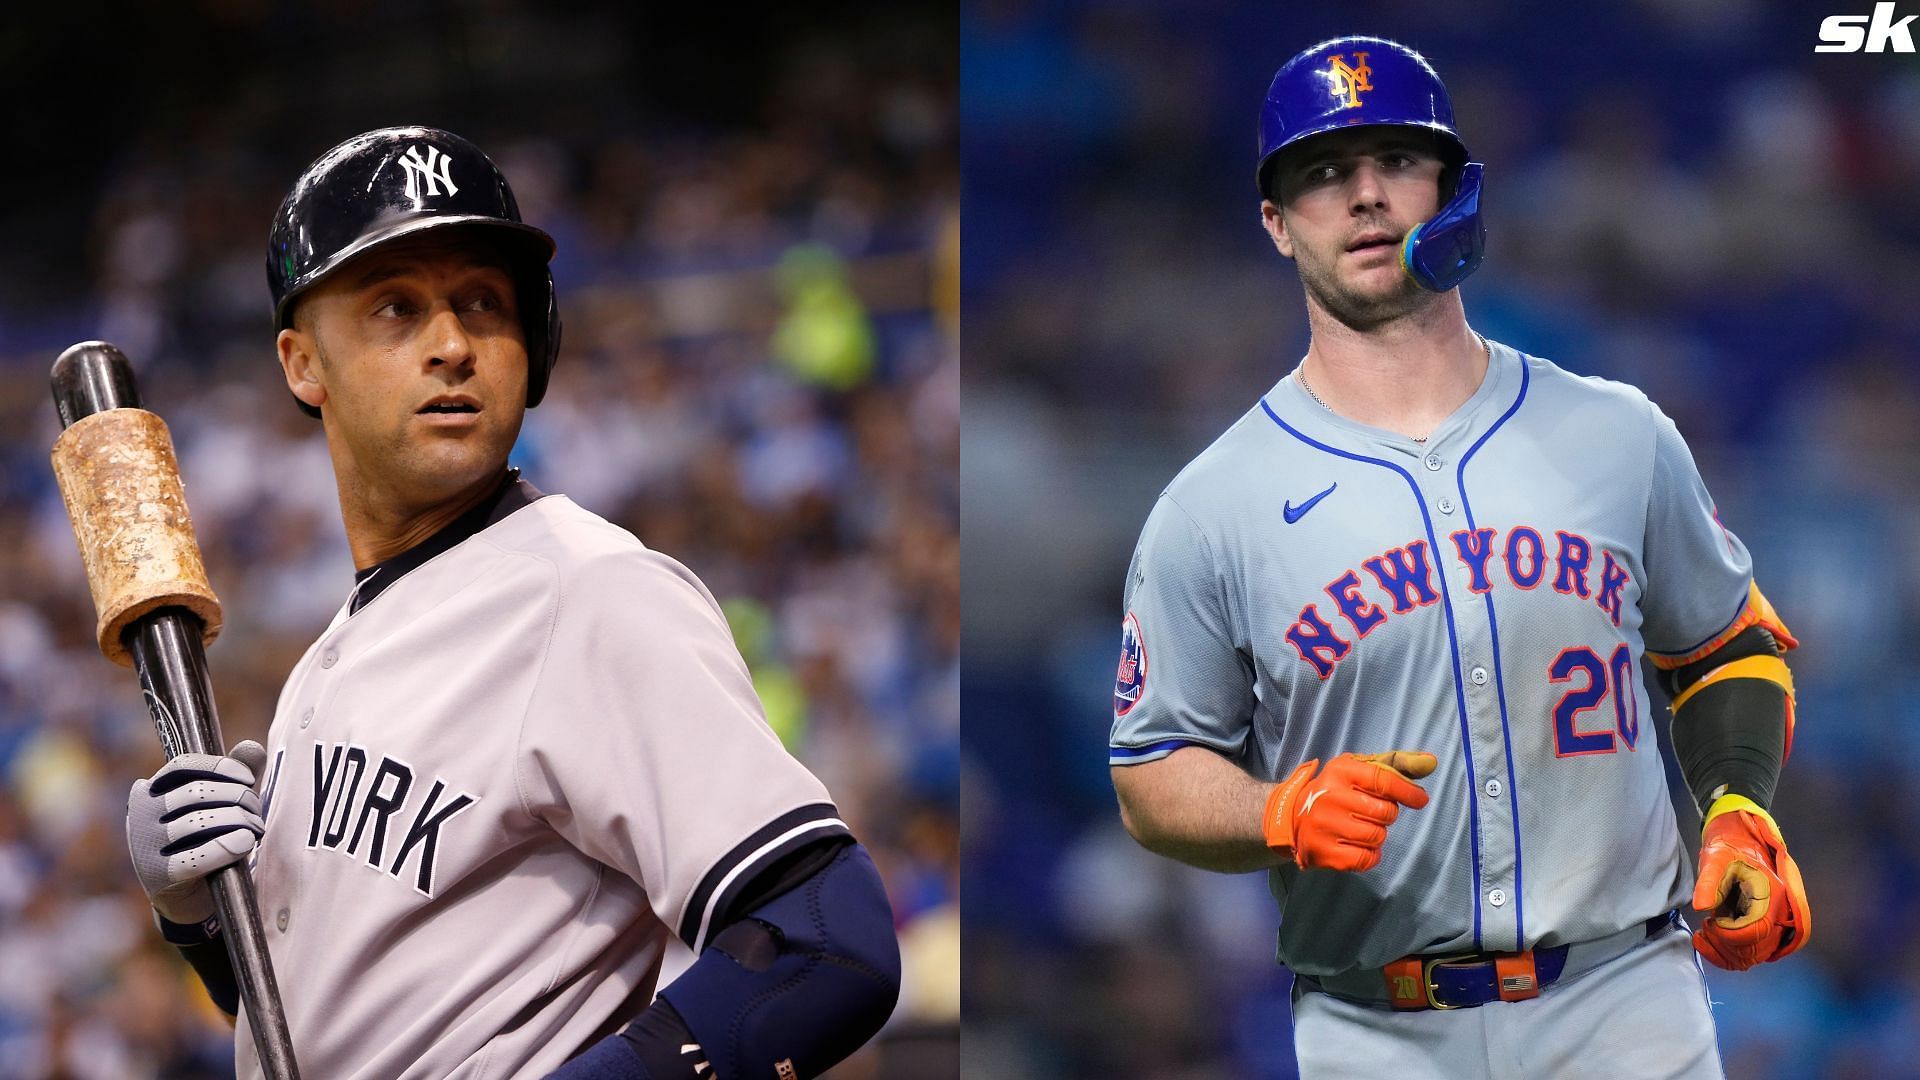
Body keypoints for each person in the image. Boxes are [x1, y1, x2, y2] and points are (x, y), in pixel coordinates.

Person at [124, 126, 899, 1079]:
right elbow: (310, 1037)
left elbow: (825, 936)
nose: (453, 345)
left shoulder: (590, 592)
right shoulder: (338, 649)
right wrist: (200, 921)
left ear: (534, 345)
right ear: (302, 365)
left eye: (483, 304)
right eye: (396, 309)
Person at [1106, 37, 1809, 1079]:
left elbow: (1727, 645)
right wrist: (1276, 810)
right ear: (1275, 222)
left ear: (1453, 188)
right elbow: (1151, 773)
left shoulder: (1616, 432)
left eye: (1396, 159)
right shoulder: (1213, 505)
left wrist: (1740, 808)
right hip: (1373, 1027)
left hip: (1627, 1004)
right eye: (1323, 173)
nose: (1365, 196)